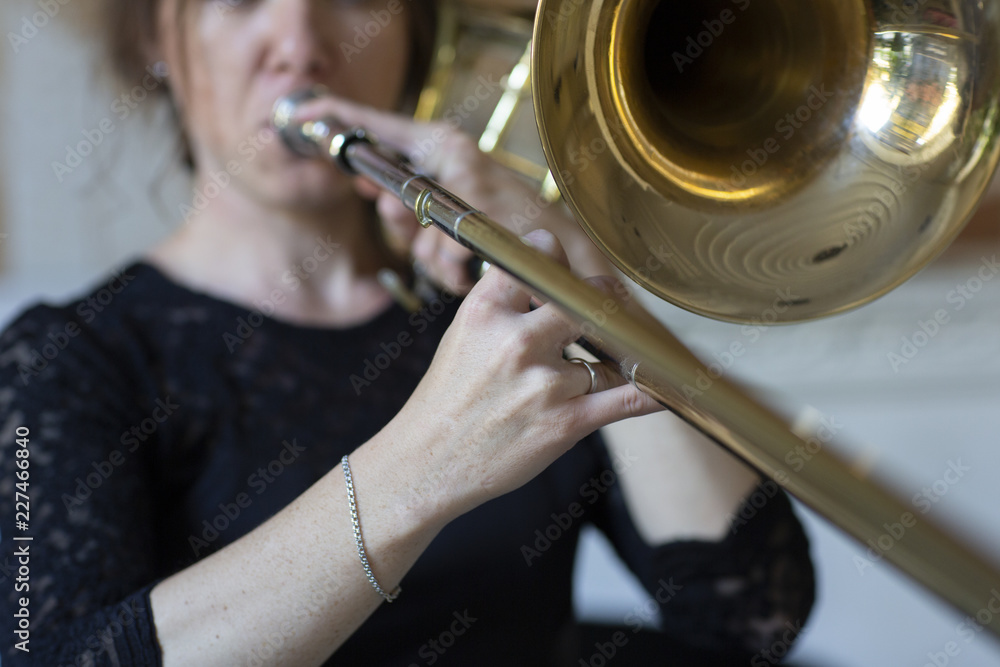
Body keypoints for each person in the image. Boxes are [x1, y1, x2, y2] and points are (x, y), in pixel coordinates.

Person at [0, 0, 815, 664]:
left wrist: (573, 262)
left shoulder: (497, 313)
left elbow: (748, 614)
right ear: (156, 39)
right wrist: (422, 469)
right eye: (239, 1)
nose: (301, 45)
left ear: (415, 37)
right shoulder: (63, 362)